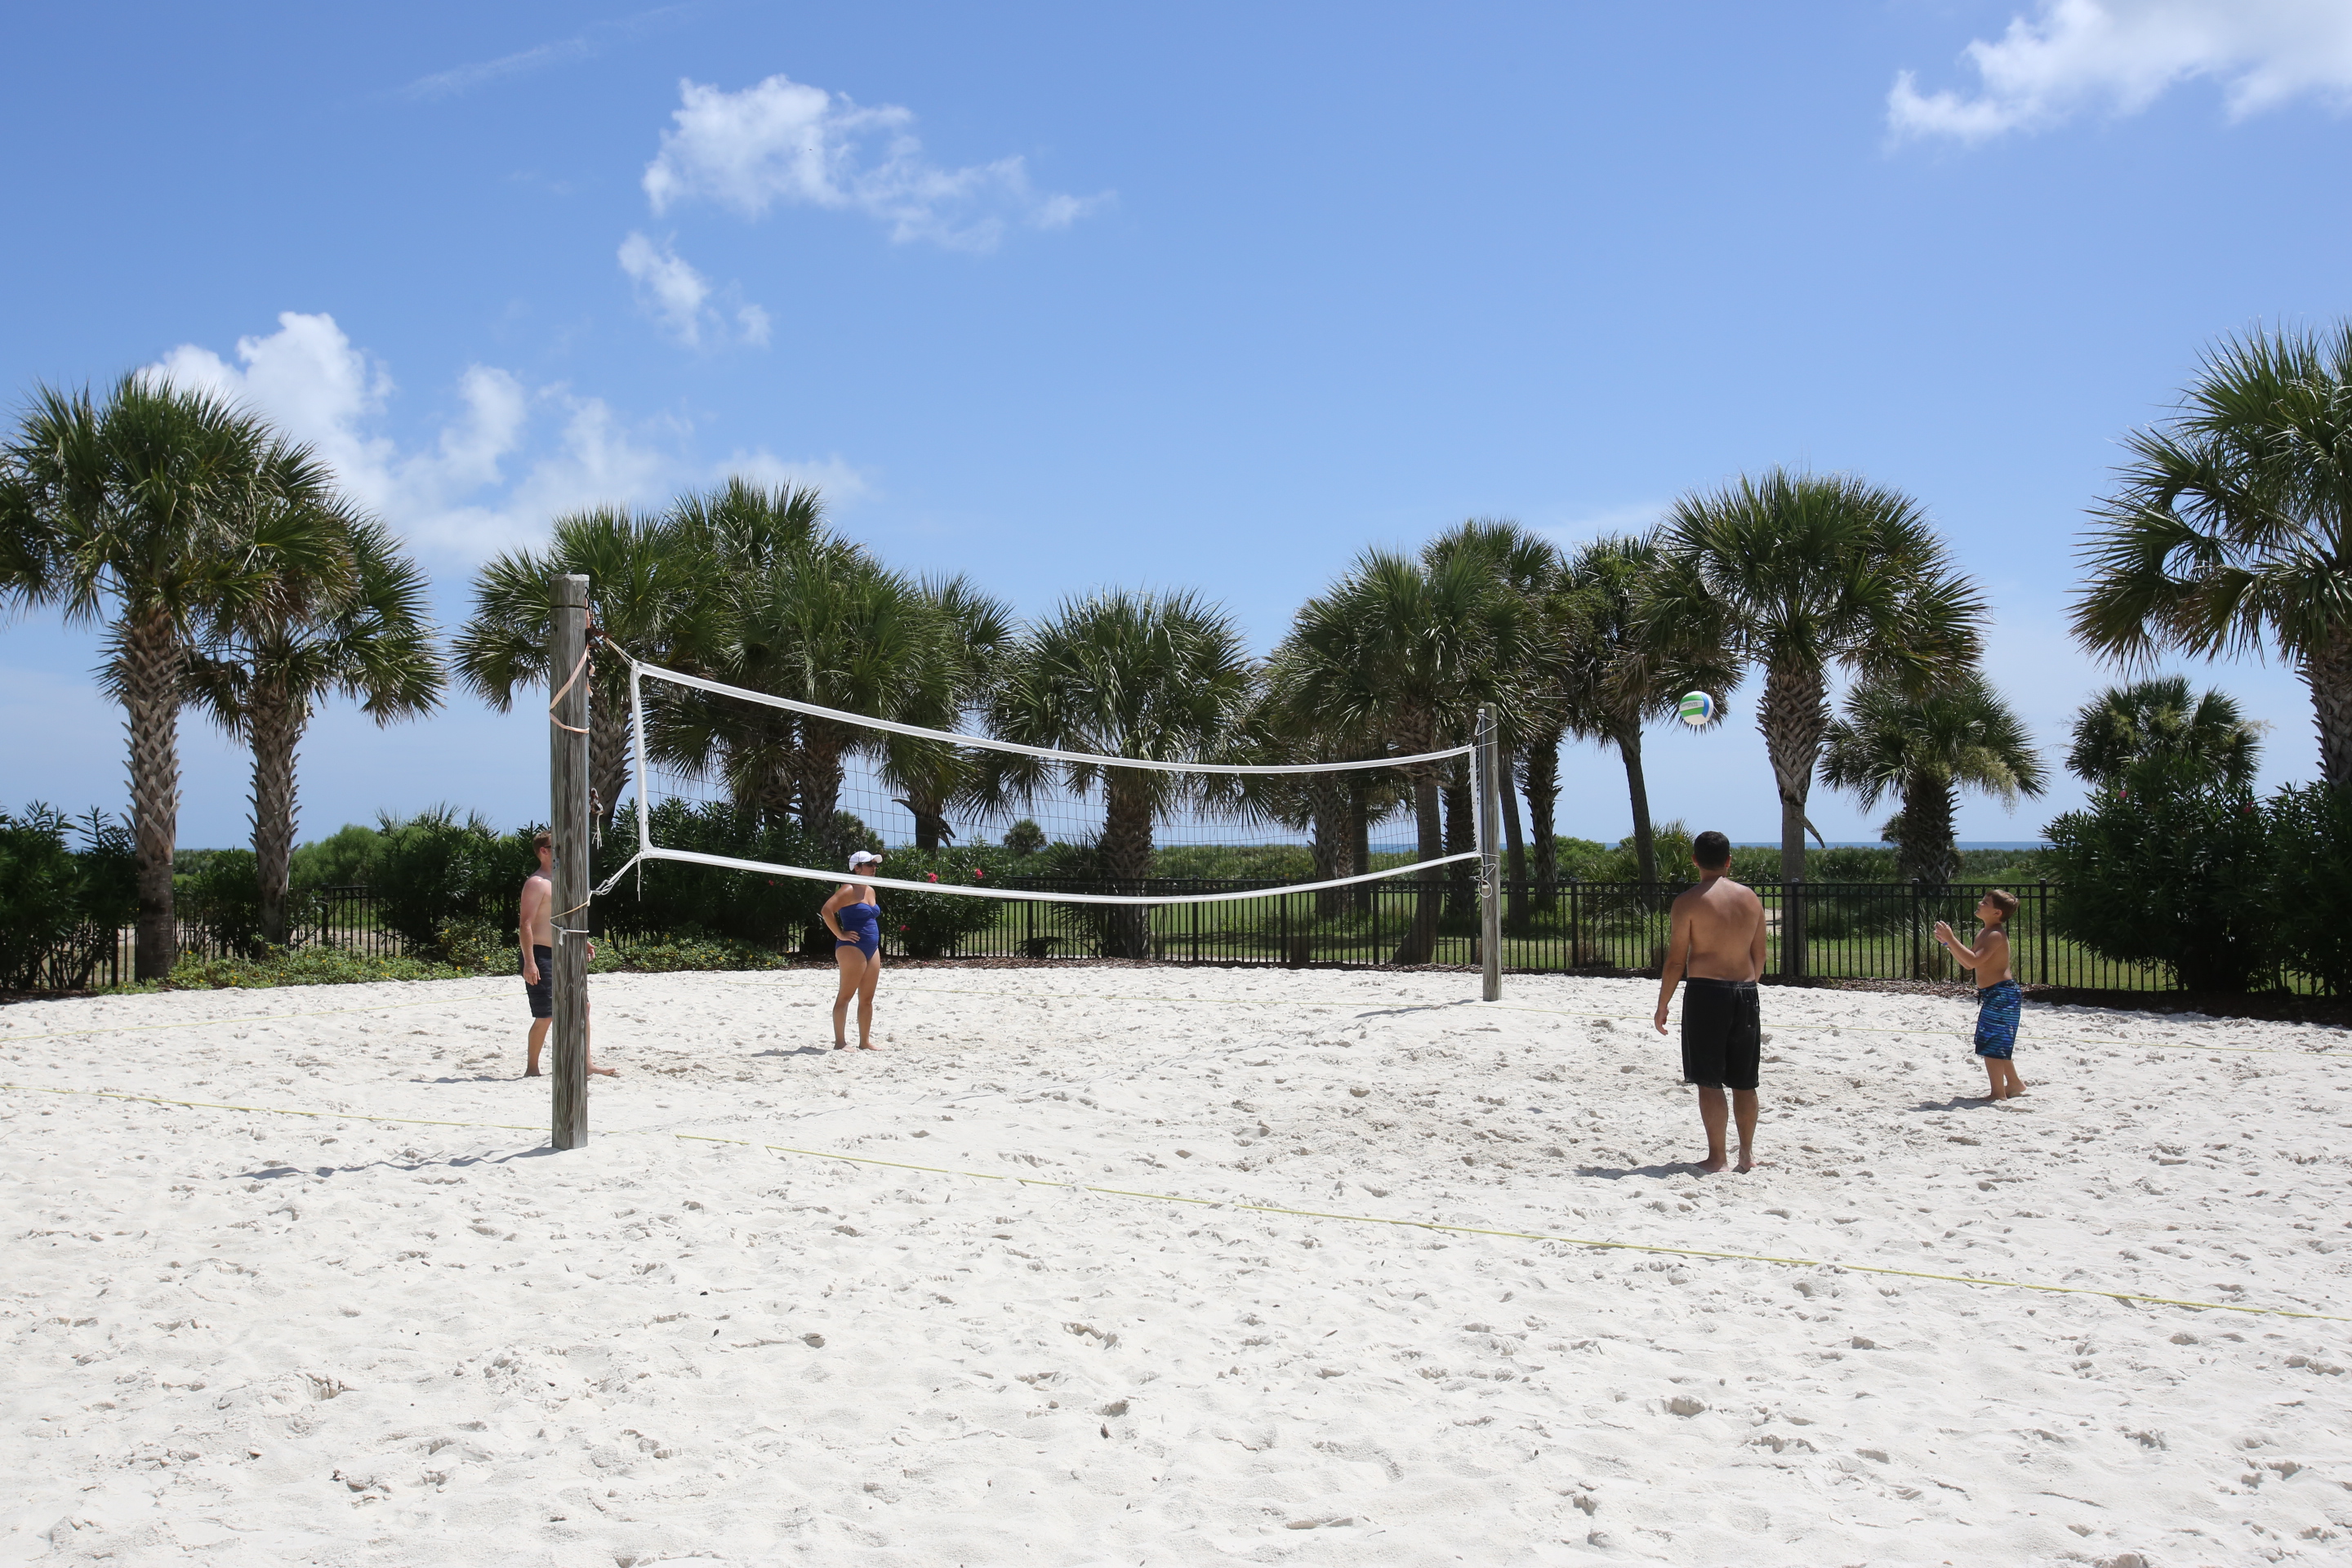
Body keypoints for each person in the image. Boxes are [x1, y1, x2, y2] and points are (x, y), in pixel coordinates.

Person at [1652, 830, 1768, 1174]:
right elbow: (1759, 956)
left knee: (1709, 1079)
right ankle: (1746, 1155)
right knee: (1745, 1080)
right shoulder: (1750, 899)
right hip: (1745, 992)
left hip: (1706, 992)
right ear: (1729, 860)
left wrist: (1663, 1004)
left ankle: (1718, 1157)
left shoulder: (1688, 901)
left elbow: (1676, 960)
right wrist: (1747, 982)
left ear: (1695, 861)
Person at [519, 831, 614, 1079]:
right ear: (544, 851)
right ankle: (532, 1068)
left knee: (583, 1006)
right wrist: (529, 962)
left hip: (564, 950)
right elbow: (526, 925)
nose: (564, 852)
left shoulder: (559, 881)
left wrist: (582, 940)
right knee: (546, 1014)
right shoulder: (536, 882)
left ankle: (586, 1063)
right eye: (556, 847)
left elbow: (559, 921)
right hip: (540, 955)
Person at [1934, 889, 2025, 1102]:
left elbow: (1973, 960)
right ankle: (2014, 1084)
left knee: (1993, 1045)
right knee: (1995, 1041)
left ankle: (1997, 1094)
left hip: (2003, 995)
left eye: (1985, 902)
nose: (1980, 903)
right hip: (1994, 994)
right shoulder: (1984, 932)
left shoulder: (1995, 935)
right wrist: (1948, 943)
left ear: (1997, 913)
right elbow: (1968, 964)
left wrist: (1952, 937)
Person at [821, 849, 885, 1050]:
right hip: (852, 948)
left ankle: (864, 1042)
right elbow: (826, 910)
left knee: (867, 999)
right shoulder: (848, 889)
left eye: (875, 865)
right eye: (869, 864)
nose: (874, 868)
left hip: (871, 947)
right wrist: (840, 934)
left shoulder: (870, 890)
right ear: (856, 868)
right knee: (845, 996)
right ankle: (840, 1043)